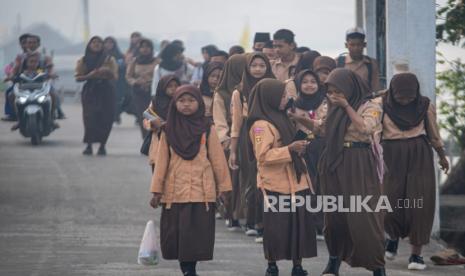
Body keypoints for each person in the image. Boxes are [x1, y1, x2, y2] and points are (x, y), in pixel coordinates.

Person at [149, 85, 232, 276]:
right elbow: (161, 162)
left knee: (196, 234)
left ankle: (190, 268)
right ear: (175, 104)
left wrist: (224, 187)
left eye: (191, 101)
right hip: (174, 192)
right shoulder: (168, 129)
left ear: (199, 103)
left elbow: (218, 160)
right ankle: (186, 268)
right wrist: (156, 191)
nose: (186, 105)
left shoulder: (206, 128)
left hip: (201, 192)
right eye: (181, 101)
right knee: (177, 234)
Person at [317, 68, 386, 276]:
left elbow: (366, 128)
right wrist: (298, 118)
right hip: (334, 160)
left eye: (337, 90)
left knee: (364, 215)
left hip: (359, 162)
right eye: (329, 91)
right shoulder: (330, 105)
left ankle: (377, 266)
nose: (333, 95)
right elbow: (320, 129)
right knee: (334, 215)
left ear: (349, 87)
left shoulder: (371, 105)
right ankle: (334, 262)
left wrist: (346, 106)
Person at [248, 78, 317, 276]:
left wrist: (299, 148)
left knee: (299, 225)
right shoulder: (260, 125)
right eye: (282, 95)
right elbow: (263, 156)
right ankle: (272, 266)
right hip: (275, 185)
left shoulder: (284, 117)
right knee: (276, 228)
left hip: (296, 180)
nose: (287, 98)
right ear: (269, 97)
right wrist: (290, 149)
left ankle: (297, 266)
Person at [382, 72, 449, 270]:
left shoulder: (424, 105)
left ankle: (416, 256)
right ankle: (392, 237)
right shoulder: (381, 104)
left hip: (419, 154)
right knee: (389, 200)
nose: (405, 102)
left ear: (416, 93)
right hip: (390, 154)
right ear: (393, 93)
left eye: (409, 97)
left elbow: (433, 133)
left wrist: (442, 155)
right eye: (401, 97)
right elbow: (374, 131)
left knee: (420, 202)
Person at [229, 52, 275, 241]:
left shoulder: (274, 87)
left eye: (261, 65)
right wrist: (232, 150)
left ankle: (268, 222)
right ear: (247, 68)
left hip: (271, 136)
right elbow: (236, 123)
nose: (257, 69)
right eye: (253, 65)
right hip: (248, 139)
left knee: (269, 179)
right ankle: (252, 221)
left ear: (267, 67)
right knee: (250, 180)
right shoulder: (238, 92)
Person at [287, 69, 327, 240]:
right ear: (298, 85)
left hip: (321, 147)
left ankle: (323, 224)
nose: (309, 85)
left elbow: (323, 126)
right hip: (301, 148)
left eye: (313, 81)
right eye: (305, 82)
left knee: (322, 185)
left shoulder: (325, 103)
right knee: (306, 185)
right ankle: (309, 224)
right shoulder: (293, 105)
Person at [212, 53, 248, 230]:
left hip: (247, 138)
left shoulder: (248, 88)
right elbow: (219, 119)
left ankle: (244, 214)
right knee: (231, 181)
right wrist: (225, 140)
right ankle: (231, 214)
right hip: (229, 140)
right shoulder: (222, 93)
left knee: (244, 180)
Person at [75, 36, 118, 156]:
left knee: (106, 119)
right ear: (89, 45)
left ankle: (102, 145)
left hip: (106, 91)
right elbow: (78, 77)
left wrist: (106, 72)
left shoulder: (109, 59)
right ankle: (89, 145)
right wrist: (91, 75)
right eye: (93, 42)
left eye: (99, 42)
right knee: (89, 118)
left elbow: (115, 76)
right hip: (90, 91)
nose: (96, 44)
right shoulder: (83, 60)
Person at [144, 75, 180, 172]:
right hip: (158, 139)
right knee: (158, 169)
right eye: (170, 86)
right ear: (163, 87)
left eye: (176, 86)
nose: (173, 89)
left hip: (177, 139)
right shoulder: (155, 102)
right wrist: (153, 123)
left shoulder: (181, 101)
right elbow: (146, 120)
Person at [126, 38, 158, 138]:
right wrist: (135, 82)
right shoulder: (134, 61)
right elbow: (128, 76)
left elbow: (160, 76)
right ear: (139, 49)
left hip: (153, 92)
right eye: (142, 47)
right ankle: (146, 138)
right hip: (138, 92)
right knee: (143, 115)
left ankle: (154, 136)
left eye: (147, 47)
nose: (145, 49)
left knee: (153, 114)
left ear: (151, 48)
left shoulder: (157, 61)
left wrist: (151, 82)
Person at [3, 33, 30, 121]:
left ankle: (56, 112)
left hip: (37, 81)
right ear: (20, 44)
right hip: (22, 81)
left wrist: (40, 73)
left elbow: (44, 68)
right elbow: (15, 69)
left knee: (51, 92)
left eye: (28, 42)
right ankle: (13, 114)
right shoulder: (20, 57)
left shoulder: (40, 56)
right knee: (10, 93)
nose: (26, 45)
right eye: (23, 43)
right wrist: (10, 76)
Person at [104, 36, 128, 124]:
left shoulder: (120, 56)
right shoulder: (101, 56)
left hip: (118, 82)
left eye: (111, 43)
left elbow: (121, 68)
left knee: (116, 100)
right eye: (106, 42)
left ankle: (116, 116)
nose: (108, 44)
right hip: (104, 82)